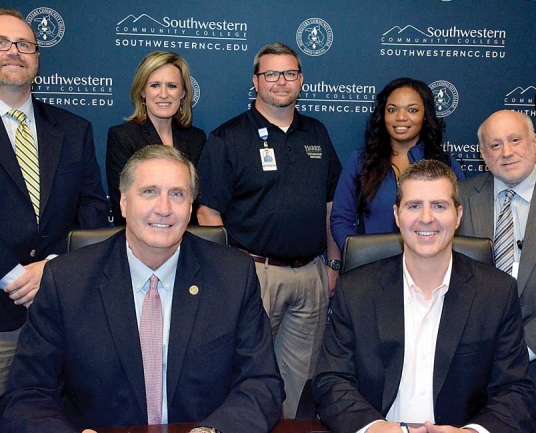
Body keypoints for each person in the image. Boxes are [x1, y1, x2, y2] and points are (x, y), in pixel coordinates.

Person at [0, 145, 284, 432]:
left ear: (190, 207)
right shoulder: (66, 281)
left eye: (177, 194)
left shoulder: (234, 275)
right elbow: (27, 395)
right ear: (123, 202)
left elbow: (261, 383)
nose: (163, 208)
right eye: (149, 191)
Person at [313, 160, 535, 433]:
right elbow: (332, 380)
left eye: (439, 206)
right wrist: (374, 428)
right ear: (397, 215)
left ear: (458, 215)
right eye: (414, 206)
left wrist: (472, 432)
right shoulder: (356, 290)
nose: (426, 218)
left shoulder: (497, 293)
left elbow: (514, 391)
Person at [196, 42, 342, 418]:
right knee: (243, 375)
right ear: (256, 81)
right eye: (271, 74)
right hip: (253, 274)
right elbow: (208, 212)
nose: (281, 81)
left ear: (301, 80)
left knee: (299, 383)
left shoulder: (317, 133)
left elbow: (330, 205)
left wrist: (333, 263)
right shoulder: (228, 138)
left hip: (310, 274)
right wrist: (233, 271)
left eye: (290, 73)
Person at [0, 8, 108, 395]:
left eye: (24, 44)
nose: (14, 51)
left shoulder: (73, 129)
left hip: (62, 311)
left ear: (38, 58)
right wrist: (15, 278)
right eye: (2, 42)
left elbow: (94, 211)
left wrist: (53, 267)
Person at [458, 109, 536, 429]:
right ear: (483, 154)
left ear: (535, 143)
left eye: (515, 140)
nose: (507, 152)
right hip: (472, 371)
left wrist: (527, 346)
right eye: (495, 145)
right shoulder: (458, 199)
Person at [330, 77, 465, 252]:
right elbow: (341, 218)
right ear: (383, 114)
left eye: (412, 110)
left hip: (430, 267)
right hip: (371, 268)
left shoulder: (446, 165)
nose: (401, 117)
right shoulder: (361, 161)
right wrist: (357, 257)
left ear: (425, 116)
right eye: (392, 109)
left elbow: (459, 221)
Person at [107, 50, 206, 225]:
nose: (163, 94)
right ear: (142, 92)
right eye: (154, 85)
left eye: (172, 86)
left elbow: (198, 201)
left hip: (185, 236)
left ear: (183, 93)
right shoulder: (123, 137)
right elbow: (122, 204)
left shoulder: (196, 139)